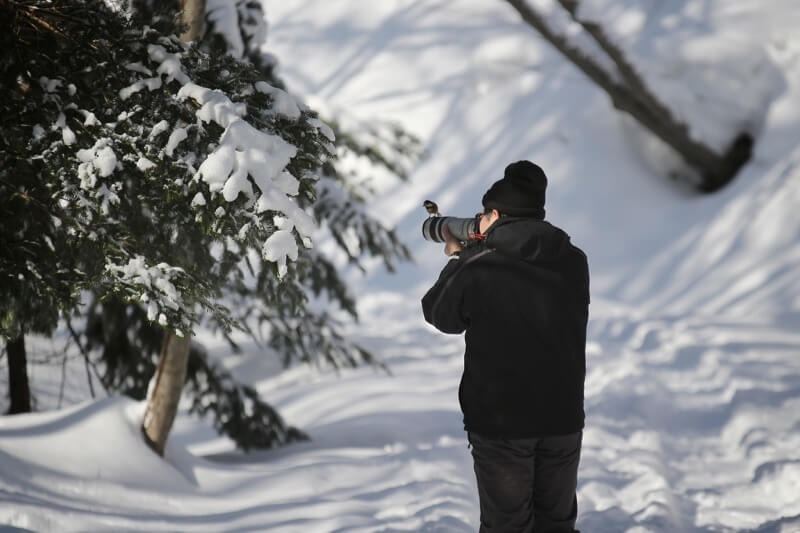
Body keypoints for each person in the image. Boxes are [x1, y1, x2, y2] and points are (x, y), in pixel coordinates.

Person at [421, 160, 589, 533]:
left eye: (482, 214)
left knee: (506, 526)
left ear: (494, 213)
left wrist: (459, 258)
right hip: (562, 416)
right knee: (557, 524)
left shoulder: (479, 263)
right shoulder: (574, 260)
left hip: (502, 421)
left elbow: (438, 314)